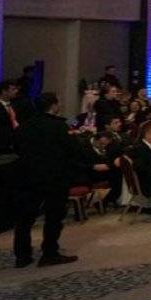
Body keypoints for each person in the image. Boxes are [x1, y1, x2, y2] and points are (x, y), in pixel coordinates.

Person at [13, 92, 90, 267]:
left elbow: (17, 148)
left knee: (25, 218)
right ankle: (49, 253)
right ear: (54, 105)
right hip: (55, 176)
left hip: (28, 175)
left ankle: (22, 255)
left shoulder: (24, 126)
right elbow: (73, 150)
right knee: (53, 217)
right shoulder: (59, 126)